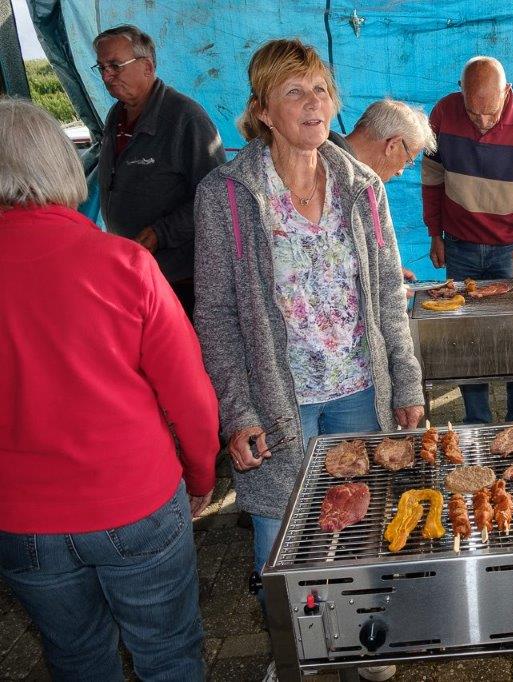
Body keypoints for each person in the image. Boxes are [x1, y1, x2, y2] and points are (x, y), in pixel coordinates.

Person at [194, 39, 424, 682]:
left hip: (358, 388)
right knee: (280, 533)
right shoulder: (227, 194)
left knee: (363, 516)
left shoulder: (362, 187)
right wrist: (237, 410)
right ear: (263, 111)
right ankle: (294, 650)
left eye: (321, 89)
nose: (313, 102)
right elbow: (215, 314)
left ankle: (365, 636)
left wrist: (406, 381)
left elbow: (388, 293)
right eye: (294, 91)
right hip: (278, 397)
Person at [0, 97, 219, 680]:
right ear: (61, 165)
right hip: (135, 500)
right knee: (168, 654)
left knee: (76, 659)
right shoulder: (123, 263)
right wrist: (201, 475)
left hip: (19, 519)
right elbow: (190, 395)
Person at [422, 56, 513, 423]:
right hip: (459, 244)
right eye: (473, 113)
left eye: (491, 113)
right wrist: (434, 232)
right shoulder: (443, 114)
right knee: (467, 337)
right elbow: (432, 178)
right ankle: (477, 420)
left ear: (507, 91)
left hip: (509, 248)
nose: (482, 122)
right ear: (461, 92)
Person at [94, 24, 226, 319]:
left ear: (147, 66)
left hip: (181, 278)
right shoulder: (116, 115)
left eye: (115, 65)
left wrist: (161, 232)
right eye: (101, 67)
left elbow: (216, 198)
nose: (106, 77)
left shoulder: (185, 119)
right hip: (136, 270)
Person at [329, 98, 438, 293]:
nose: (400, 172)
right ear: (393, 145)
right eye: (408, 160)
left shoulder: (353, 174)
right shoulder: (327, 171)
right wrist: (383, 285)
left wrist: (383, 273)